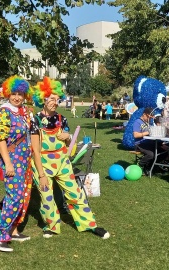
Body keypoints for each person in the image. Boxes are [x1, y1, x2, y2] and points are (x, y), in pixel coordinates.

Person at [30, 76, 110, 240]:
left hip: (62, 162)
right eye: (52, 98)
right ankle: (51, 226)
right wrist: (41, 174)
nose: (55, 102)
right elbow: (35, 150)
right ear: (43, 99)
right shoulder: (35, 120)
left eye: (57, 99)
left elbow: (70, 144)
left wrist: (67, 137)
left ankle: (90, 225)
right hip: (43, 163)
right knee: (46, 197)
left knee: (75, 193)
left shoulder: (61, 119)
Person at [0, 75, 37, 253]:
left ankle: (13, 230)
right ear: (8, 93)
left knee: (22, 196)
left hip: (24, 162)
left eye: (20, 94)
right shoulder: (4, 112)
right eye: (14, 93)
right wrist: (8, 164)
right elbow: (1, 139)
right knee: (14, 198)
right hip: (12, 163)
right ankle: (0, 236)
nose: (17, 97)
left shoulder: (23, 111)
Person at [132, 107, 169, 175]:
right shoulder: (137, 122)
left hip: (150, 143)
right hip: (140, 144)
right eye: (149, 117)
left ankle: (151, 166)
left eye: (151, 118)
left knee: (165, 152)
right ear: (144, 114)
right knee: (151, 154)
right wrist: (147, 133)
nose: (150, 119)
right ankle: (140, 164)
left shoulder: (148, 123)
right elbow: (135, 135)